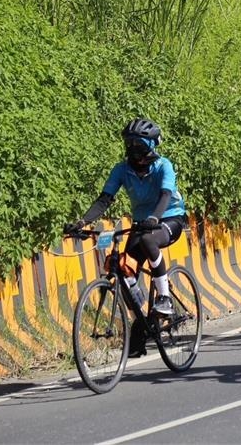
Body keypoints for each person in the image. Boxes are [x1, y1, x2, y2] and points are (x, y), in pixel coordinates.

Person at [65, 118, 187, 356]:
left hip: (169, 218)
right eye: (129, 144)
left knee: (150, 240)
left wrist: (154, 218)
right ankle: (143, 321)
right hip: (142, 224)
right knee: (120, 267)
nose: (132, 149)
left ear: (151, 145)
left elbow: (165, 195)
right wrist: (82, 222)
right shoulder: (122, 170)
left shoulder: (164, 166)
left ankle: (164, 298)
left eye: (138, 145)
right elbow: (104, 199)